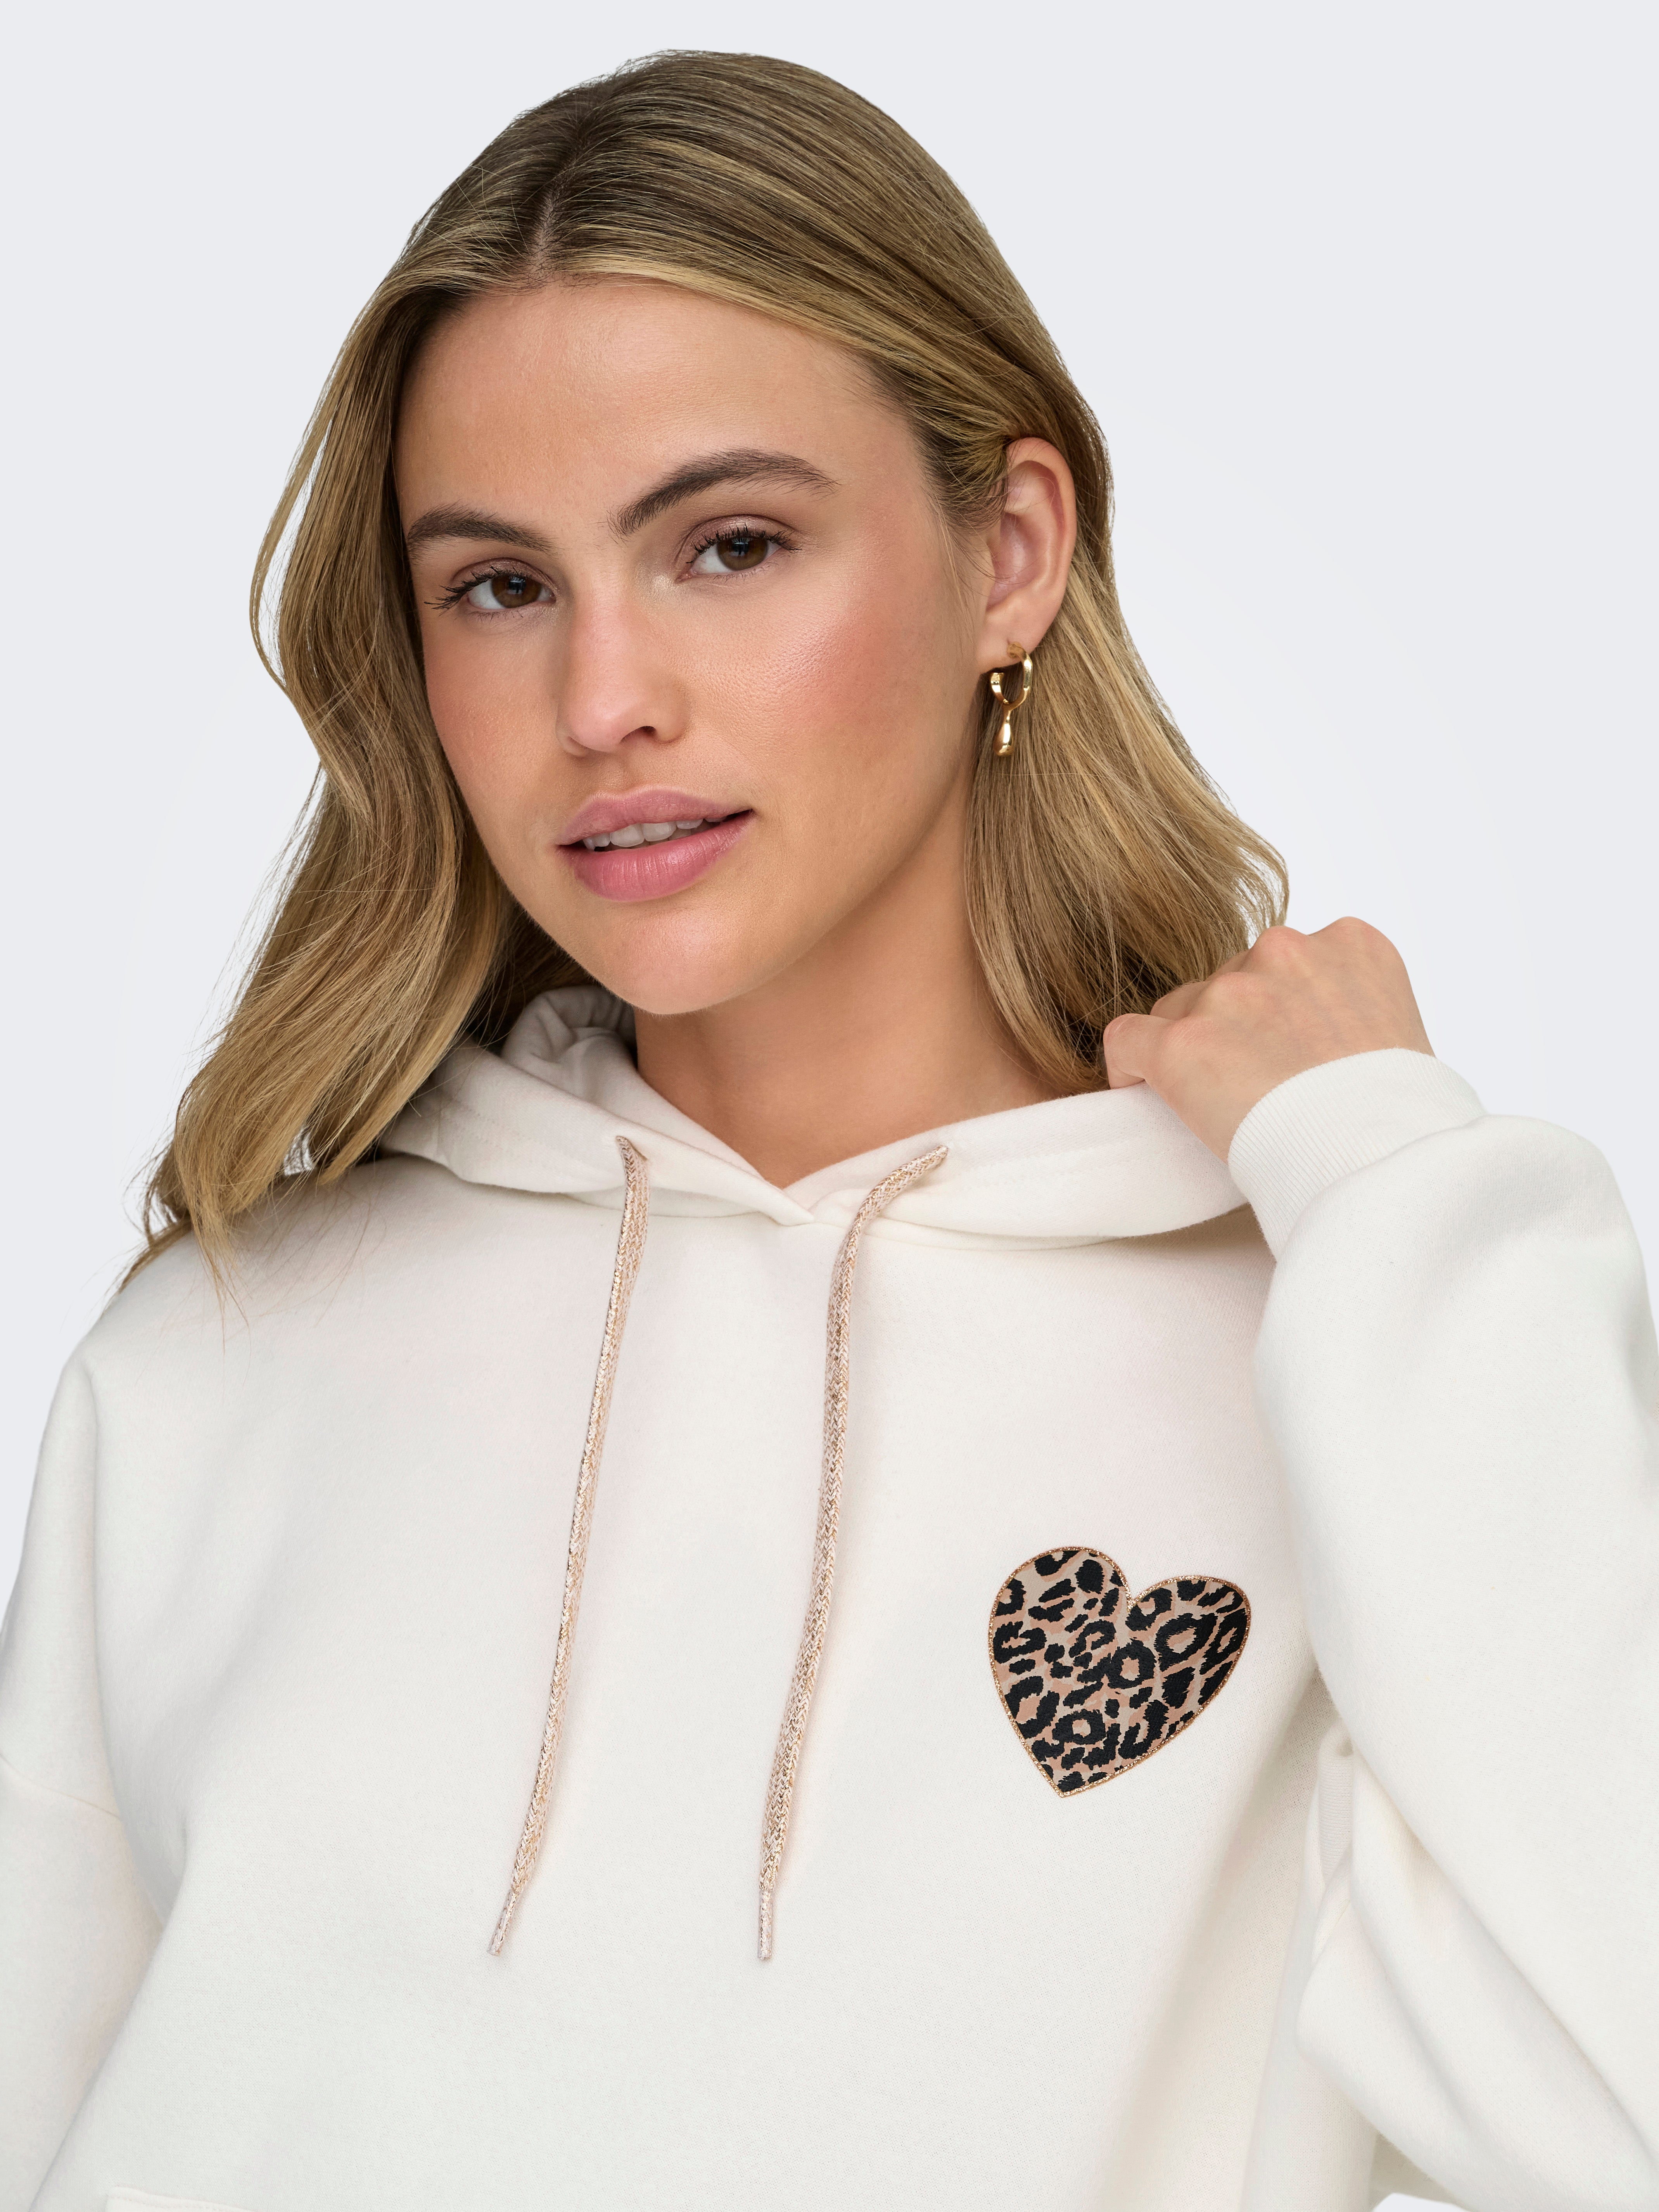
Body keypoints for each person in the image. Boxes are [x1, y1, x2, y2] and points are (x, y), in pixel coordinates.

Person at [1, 48, 1652, 2212]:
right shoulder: (221, 1351)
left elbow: (1617, 2109)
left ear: (1010, 553)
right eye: (498, 585)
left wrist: (1401, 1194)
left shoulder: (1334, 1354)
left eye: (730, 545)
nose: (604, 700)